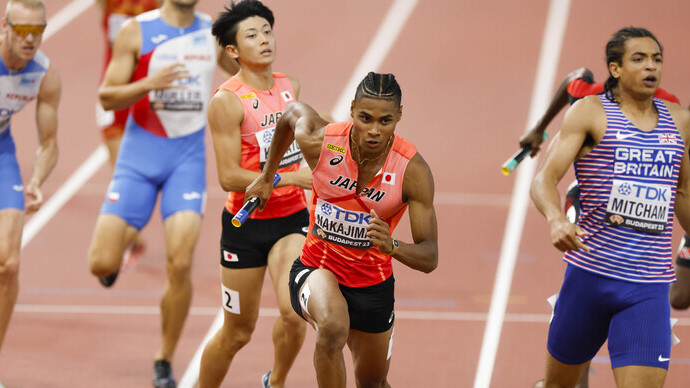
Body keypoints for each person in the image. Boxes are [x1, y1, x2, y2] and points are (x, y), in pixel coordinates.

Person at [245, 72, 439, 388]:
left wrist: (393, 246)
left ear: (399, 117)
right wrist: (268, 176)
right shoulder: (322, 141)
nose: (374, 130)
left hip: (372, 286)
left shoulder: (413, 171)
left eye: (385, 121)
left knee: (372, 382)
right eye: (365, 118)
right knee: (332, 328)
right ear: (352, 110)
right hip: (316, 268)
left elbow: (430, 256)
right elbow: (291, 115)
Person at [86, 0, 238, 386]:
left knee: (180, 262)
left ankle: (164, 359)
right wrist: (149, 83)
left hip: (185, 163)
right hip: (138, 158)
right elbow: (107, 95)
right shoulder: (136, 30)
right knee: (101, 264)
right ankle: (117, 251)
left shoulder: (213, 33)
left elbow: (249, 78)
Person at [530, 26, 690, 388]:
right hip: (589, 279)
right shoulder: (589, 113)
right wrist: (556, 219)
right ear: (615, 69)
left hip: (648, 287)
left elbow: (683, 193)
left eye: (657, 59)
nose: (651, 67)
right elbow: (543, 180)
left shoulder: (680, 122)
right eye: (639, 59)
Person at [197, 1, 311, 387]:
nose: (264, 40)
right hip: (244, 228)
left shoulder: (289, 87)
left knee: (296, 313)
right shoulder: (226, 101)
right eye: (252, 35)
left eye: (267, 31)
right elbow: (229, 175)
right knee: (237, 333)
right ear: (232, 51)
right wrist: (293, 178)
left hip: (291, 222)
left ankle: (275, 381)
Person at [0, 0, 60, 356]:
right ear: (5, 27)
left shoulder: (44, 73)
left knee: (8, 264)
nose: (30, 39)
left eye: (37, 30)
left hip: (1, 151)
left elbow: (50, 144)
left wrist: (36, 179)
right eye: (22, 30)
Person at [94, 0, 160, 269]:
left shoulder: (156, 4)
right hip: (113, 93)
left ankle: (130, 231)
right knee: (120, 172)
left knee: (149, 171)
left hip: (148, 94)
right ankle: (129, 234)